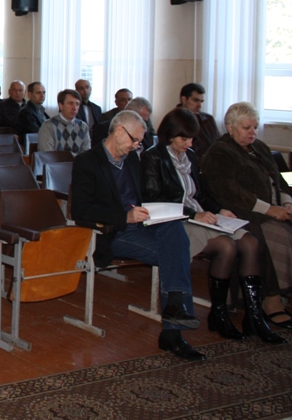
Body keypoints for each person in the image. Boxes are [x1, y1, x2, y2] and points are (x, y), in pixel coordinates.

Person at [71, 110, 205, 360]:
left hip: (141, 224)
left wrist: (154, 211)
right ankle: (173, 327)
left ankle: (175, 309)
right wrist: (124, 216)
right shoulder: (87, 161)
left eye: (140, 142)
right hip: (113, 232)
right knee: (176, 252)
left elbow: (141, 196)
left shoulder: (132, 159)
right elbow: (81, 210)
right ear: (119, 131)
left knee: (175, 228)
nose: (136, 146)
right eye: (134, 140)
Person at [142, 108, 283, 343]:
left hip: (199, 214)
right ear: (169, 134)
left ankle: (254, 315)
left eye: (192, 139)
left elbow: (201, 194)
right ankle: (219, 313)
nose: (189, 144)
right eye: (184, 138)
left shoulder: (190, 156)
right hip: (175, 221)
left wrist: (219, 209)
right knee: (226, 246)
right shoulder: (153, 157)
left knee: (250, 242)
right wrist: (193, 215)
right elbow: (154, 200)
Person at [201, 102, 292, 329]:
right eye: (246, 128)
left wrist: (287, 202)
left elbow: (279, 179)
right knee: (278, 235)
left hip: (274, 208)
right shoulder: (219, 152)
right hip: (242, 212)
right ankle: (270, 298)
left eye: (255, 127)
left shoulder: (259, 147)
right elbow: (231, 192)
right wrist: (270, 209)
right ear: (230, 127)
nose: (252, 132)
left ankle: (282, 294)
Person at [37, 89, 90, 154]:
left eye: (77, 104)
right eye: (70, 103)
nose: (74, 108)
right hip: (55, 161)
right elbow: (47, 155)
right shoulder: (48, 126)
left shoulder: (83, 126)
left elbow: (86, 154)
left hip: (78, 161)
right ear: (61, 106)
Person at [178, 83, 221, 155]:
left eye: (201, 101)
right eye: (195, 100)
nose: (200, 105)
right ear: (184, 99)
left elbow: (219, 142)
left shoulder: (208, 119)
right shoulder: (175, 121)